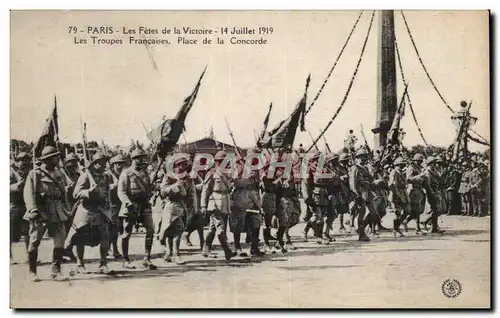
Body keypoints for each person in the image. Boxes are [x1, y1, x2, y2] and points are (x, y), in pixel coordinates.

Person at [23, 146, 70, 282]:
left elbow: (63, 193)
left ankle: (56, 271)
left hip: (57, 210)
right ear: (48, 159)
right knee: (35, 240)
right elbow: (28, 193)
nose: (57, 159)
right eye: (55, 157)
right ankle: (32, 271)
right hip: (42, 211)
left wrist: (66, 208)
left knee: (60, 239)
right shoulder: (35, 174)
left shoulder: (59, 173)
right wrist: (33, 209)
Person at [64, 152, 112, 274]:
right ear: (94, 164)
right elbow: (76, 193)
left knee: (105, 235)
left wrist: (108, 205)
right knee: (81, 238)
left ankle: (103, 263)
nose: (103, 165)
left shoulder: (105, 177)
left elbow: (107, 193)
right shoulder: (85, 176)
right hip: (87, 210)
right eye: (100, 163)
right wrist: (89, 192)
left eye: (104, 163)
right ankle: (80, 264)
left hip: (101, 210)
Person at [117, 148, 157, 270]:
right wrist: (127, 203)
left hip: (144, 204)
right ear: (133, 159)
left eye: (142, 158)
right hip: (131, 205)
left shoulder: (145, 173)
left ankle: (147, 258)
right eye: (139, 158)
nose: (141, 160)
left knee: (150, 230)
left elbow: (149, 188)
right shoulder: (126, 173)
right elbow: (121, 192)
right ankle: (125, 259)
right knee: (127, 233)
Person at [157, 153, 197, 265]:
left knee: (178, 230)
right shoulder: (168, 177)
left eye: (185, 165)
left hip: (182, 207)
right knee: (171, 231)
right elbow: (163, 191)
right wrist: (175, 187)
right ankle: (172, 253)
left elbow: (191, 193)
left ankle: (173, 253)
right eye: (181, 165)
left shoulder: (188, 178)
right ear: (175, 166)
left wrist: (193, 206)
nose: (183, 167)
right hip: (171, 206)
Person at [200, 150, 237, 260]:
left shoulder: (228, 174)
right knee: (220, 230)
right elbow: (205, 190)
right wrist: (203, 206)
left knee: (212, 229)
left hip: (225, 203)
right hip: (215, 203)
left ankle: (205, 249)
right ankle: (227, 251)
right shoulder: (212, 174)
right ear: (217, 162)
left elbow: (229, 188)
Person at [10, 152, 31, 264]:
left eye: (26, 160)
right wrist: (15, 187)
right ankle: (8, 257)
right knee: (9, 233)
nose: (24, 162)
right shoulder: (11, 173)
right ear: (17, 161)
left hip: (26, 205)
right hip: (13, 205)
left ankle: (29, 256)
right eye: (21, 160)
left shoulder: (29, 173)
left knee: (28, 232)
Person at [348, 148, 373, 241]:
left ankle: (361, 231)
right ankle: (361, 234)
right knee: (361, 214)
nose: (363, 158)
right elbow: (352, 182)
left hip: (366, 192)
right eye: (361, 157)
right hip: (359, 192)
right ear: (357, 158)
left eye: (365, 157)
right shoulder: (355, 168)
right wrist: (356, 195)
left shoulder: (366, 168)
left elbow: (371, 180)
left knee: (372, 213)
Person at [106, 153, 127, 259]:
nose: (120, 166)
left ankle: (112, 249)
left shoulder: (124, 174)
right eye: (117, 164)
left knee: (119, 228)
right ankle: (111, 249)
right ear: (113, 165)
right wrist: (113, 185)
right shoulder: (108, 175)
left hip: (121, 204)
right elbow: (104, 188)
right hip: (111, 204)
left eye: (122, 164)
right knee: (111, 228)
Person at [62, 152, 81, 263]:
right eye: (70, 162)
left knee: (73, 230)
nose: (73, 165)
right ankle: (63, 252)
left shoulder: (78, 176)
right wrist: (66, 188)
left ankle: (69, 250)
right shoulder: (62, 174)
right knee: (64, 231)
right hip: (64, 204)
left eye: (75, 162)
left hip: (74, 205)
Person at [403, 153, 427, 235]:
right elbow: (408, 179)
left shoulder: (419, 168)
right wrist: (419, 176)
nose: (420, 162)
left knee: (418, 210)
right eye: (418, 161)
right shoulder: (411, 168)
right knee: (415, 210)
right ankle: (417, 228)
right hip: (413, 190)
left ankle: (406, 221)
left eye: (420, 161)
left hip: (419, 189)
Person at [388, 157, 408, 237]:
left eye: (403, 165)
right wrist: (397, 194)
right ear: (396, 165)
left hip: (402, 194)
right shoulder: (394, 173)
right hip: (395, 194)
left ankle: (397, 227)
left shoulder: (401, 173)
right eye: (400, 165)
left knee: (407, 211)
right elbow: (392, 185)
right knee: (397, 213)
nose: (402, 167)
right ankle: (396, 229)